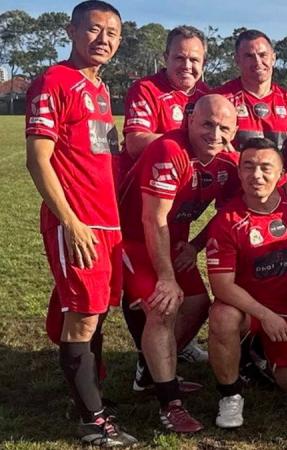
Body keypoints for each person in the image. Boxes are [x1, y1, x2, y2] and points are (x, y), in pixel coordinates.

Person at [25, 1, 137, 446]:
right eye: (94, 29)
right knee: (84, 317)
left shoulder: (101, 89)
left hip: (106, 224)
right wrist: (70, 221)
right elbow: (38, 160)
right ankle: (92, 422)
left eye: (112, 32)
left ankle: (88, 397)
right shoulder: (54, 81)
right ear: (71, 30)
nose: (103, 39)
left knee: (92, 313)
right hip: (78, 223)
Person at [117, 94, 241, 433]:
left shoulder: (228, 162)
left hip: (172, 243)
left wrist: (197, 245)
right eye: (207, 124)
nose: (215, 133)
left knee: (199, 304)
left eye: (223, 127)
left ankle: (151, 369)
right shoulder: (169, 150)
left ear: (235, 129)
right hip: (133, 240)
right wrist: (166, 277)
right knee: (164, 308)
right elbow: (152, 219)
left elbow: (228, 214)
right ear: (189, 121)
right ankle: (169, 403)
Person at [120, 25, 210, 385]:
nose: (186, 65)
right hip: (139, 220)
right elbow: (136, 142)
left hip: (178, 224)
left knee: (198, 303)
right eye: (179, 57)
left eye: (194, 59)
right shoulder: (148, 89)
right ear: (165, 58)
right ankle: (154, 370)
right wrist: (192, 141)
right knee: (160, 305)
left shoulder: (206, 96)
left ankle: (163, 356)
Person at [206, 137, 287, 429]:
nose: (256, 176)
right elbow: (221, 286)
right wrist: (264, 316)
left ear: (282, 174)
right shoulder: (226, 220)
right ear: (239, 172)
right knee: (222, 316)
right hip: (250, 310)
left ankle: (257, 355)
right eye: (248, 167)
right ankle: (230, 394)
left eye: (266, 168)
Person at [215, 29, 287, 199]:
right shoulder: (220, 100)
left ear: (274, 57)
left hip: (281, 198)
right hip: (234, 199)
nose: (257, 62)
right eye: (249, 56)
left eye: (263, 55)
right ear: (236, 60)